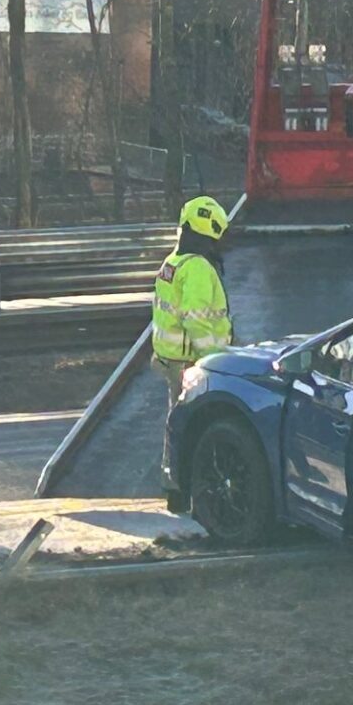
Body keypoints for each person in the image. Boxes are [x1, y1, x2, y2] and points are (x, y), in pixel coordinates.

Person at [153, 195, 233, 486]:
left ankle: (171, 477)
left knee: (176, 419)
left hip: (172, 357)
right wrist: (214, 358)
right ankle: (181, 481)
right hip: (192, 361)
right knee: (192, 423)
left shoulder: (173, 262)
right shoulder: (198, 267)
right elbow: (196, 318)